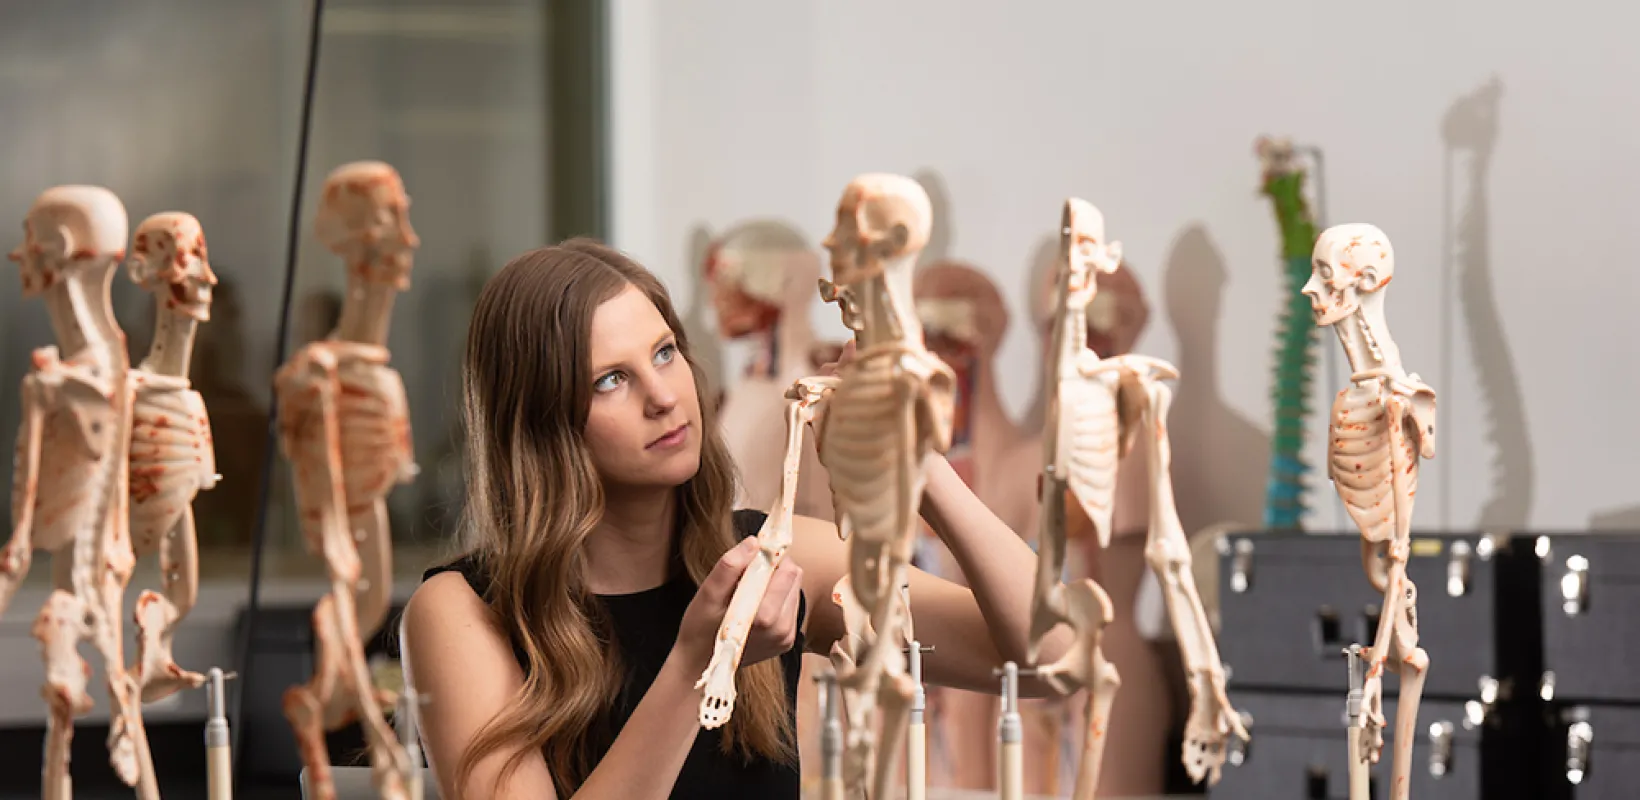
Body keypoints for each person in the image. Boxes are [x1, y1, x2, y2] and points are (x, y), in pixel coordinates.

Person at [399, 238, 1075, 799]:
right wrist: (701, 662)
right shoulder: (461, 614)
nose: (665, 397)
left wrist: (920, 470)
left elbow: (1055, 660)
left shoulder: (776, 556)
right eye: (612, 379)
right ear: (541, 422)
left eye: (665, 353)